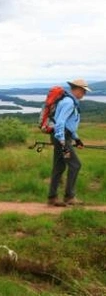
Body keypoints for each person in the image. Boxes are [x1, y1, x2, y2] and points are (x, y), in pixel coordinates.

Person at [47, 79, 91, 207]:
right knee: (75, 164)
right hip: (62, 138)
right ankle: (69, 197)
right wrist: (62, 142)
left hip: (62, 137)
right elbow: (60, 122)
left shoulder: (69, 101)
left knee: (59, 166)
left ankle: (52, 197)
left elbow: (69, 124)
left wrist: (76, 139)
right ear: (76, 89)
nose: (84, 94)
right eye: (83, 91)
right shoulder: (69, 102)